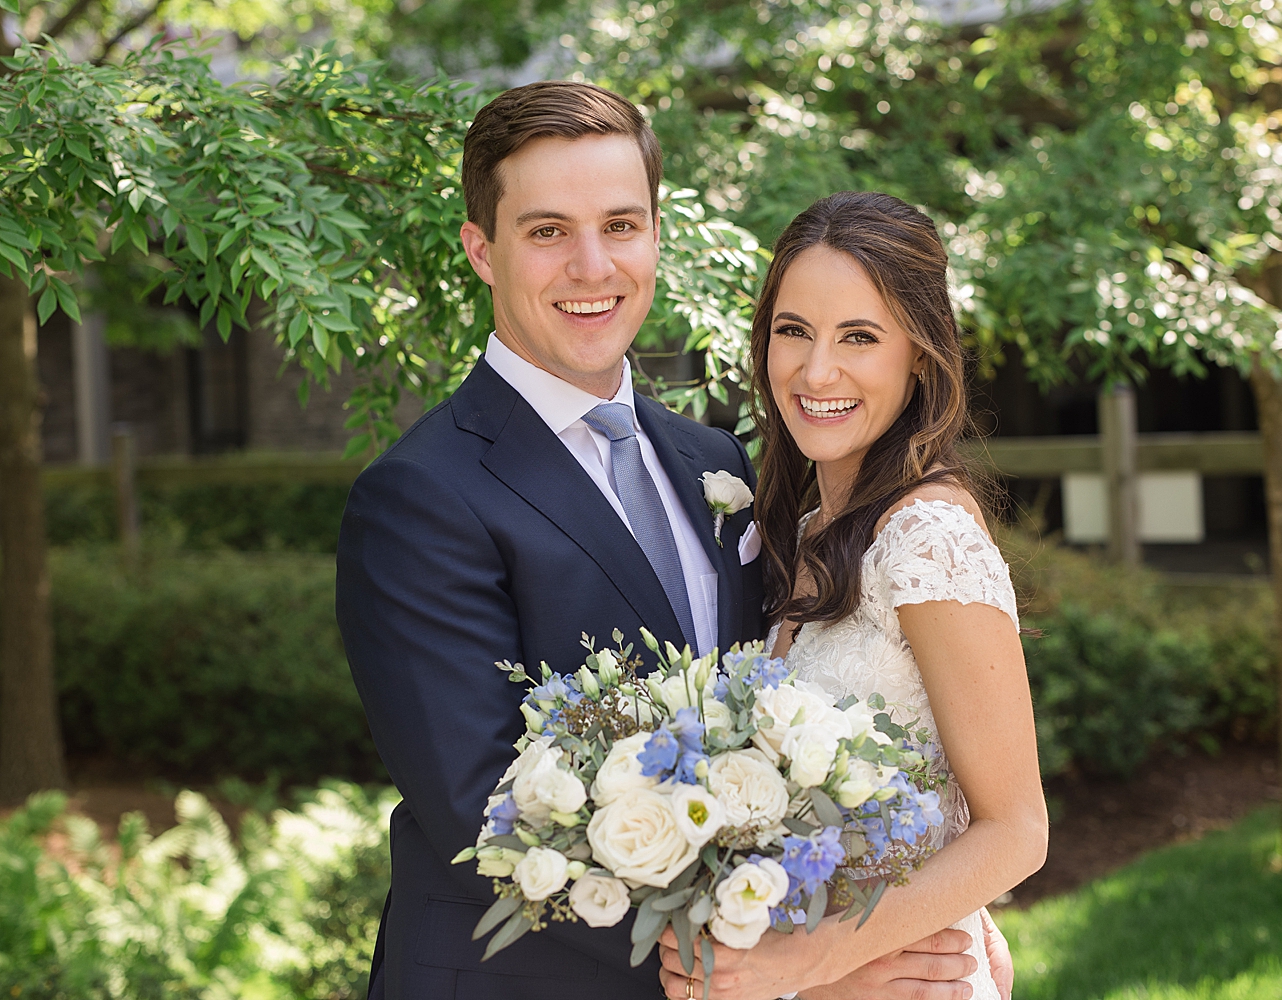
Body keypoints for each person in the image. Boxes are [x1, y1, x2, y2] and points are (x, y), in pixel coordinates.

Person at [337, 84, 1008, 999]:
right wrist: (775, 975)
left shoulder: (713, 461)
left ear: (655, 236)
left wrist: (895, 928)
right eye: (546, 232)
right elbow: (485, 820)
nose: (591, 265)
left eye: (620, 225)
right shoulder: (419, 497)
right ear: (481, 250)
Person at [657, 192, 1048, 1000]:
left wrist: (809, 964)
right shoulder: (805, 533)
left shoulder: (926, 538)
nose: (816, 370)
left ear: (920, 355)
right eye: (793, 330)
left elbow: (1017, 831)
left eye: (859, 338)